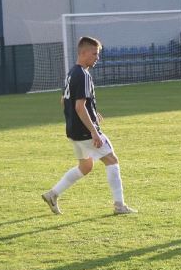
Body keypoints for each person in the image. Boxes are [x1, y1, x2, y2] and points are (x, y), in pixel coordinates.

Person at [42, 36, 137, 215]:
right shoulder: (83, 75)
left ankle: (52, 194)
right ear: (83, 53)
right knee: (112, 160)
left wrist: (92, 113)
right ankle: (119, 206)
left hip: (73, 132)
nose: (97, 58)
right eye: (94, 54)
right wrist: (93, 131)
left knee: (85, 167)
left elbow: (64, 101)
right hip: (86, 132)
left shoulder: (71, 73)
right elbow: (79, 106)